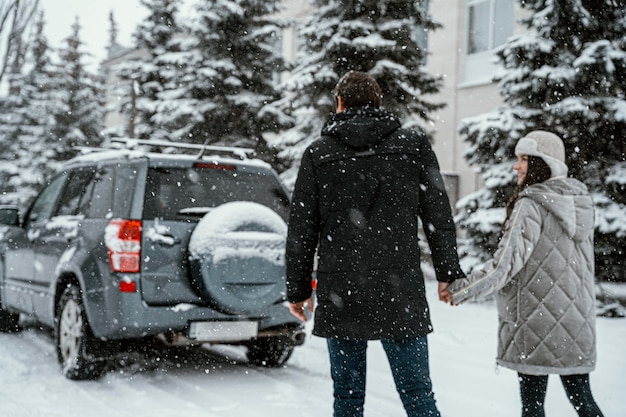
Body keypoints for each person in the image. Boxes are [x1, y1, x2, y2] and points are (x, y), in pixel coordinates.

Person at [286, 70, 465, 417]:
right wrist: (448, 271)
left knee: (348, 399)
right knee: (418, 394)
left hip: (343, 289)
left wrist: (297, 289)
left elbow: (301, 229)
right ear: (378, 102)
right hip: (399, 290)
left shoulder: (318, 153)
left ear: (339, 104)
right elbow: (438, 216)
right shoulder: (412, 146)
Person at [440, 130, 604, 417]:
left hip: (536, 324)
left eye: (523, 159)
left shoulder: (532, 204)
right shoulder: (579, 202)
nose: (516, 166)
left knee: (532, 407)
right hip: (577, 323)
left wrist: (459, 289)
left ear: (544, 163)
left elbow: (504, 265)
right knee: (584, 402)